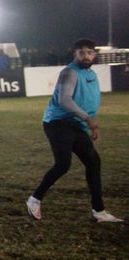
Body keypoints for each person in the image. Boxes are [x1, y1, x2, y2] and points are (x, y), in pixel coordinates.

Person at [26, 39, 123, 223]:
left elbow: (88, 101)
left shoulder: (91, 74)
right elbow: (65, 101)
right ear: (75, 54)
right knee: (63, 164)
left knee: (93, 162)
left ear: (94, 54)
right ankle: (34, 199)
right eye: (81, 53)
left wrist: (88, 126)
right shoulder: (69, 72)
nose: (85, 56)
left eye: (89, 52)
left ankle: (99, 212)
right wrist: (88, 120)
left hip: (76, 125)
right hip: (57, 123)